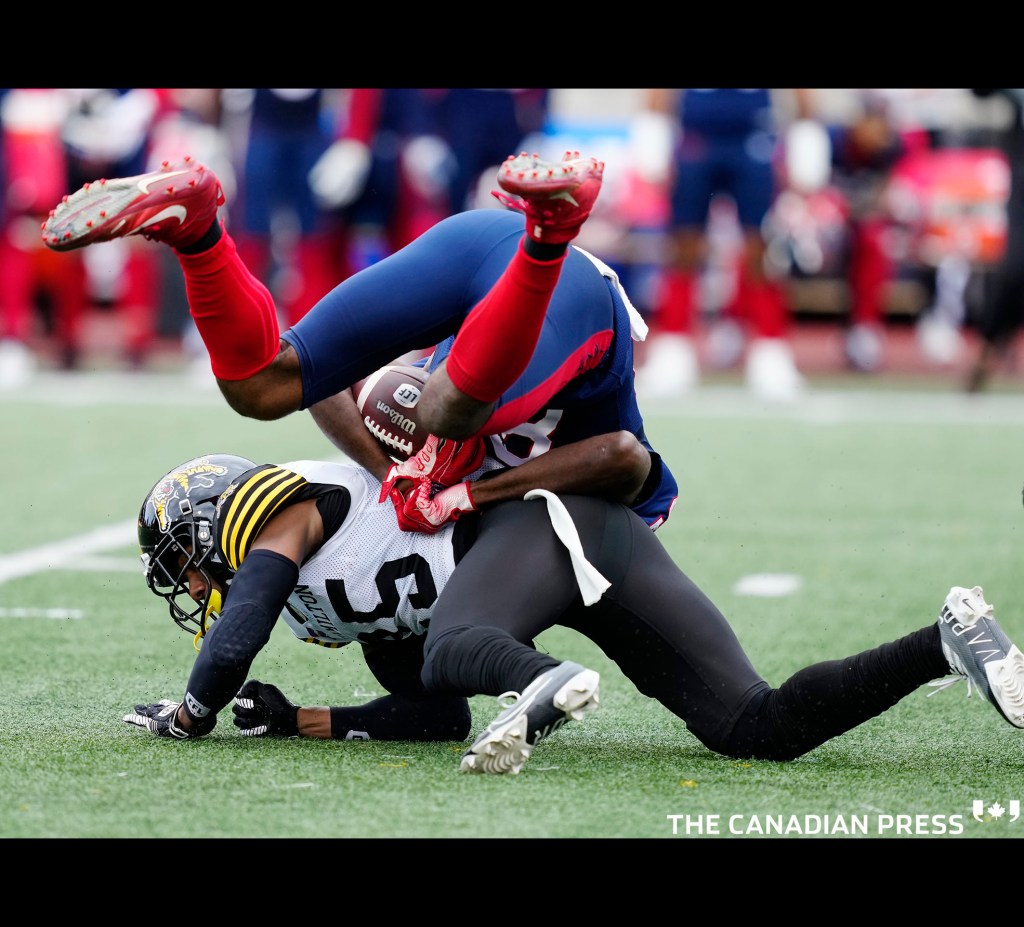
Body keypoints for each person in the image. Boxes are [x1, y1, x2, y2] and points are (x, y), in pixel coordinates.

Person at [123, 440, 1024, 776]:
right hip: (580, 547)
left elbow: (240, 623)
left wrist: (192, 711)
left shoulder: (283, 503)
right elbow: (436, 715)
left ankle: (548, 678)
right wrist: (300, 720)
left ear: (213, 525)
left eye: (182, 561)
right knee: (756, 727)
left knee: (456, 641)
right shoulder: (332, 602)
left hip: (539, 526)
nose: (190, 584)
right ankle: (946, 640)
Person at [41, 149, 678, 531]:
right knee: (443, 409)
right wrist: (443, 492)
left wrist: (397, 477)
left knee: (263, 386)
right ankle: (549, 235)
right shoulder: (627, 498)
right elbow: (624, 457)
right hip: (573, 291)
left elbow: (325, 385)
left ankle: (199, 231)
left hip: (476, 244)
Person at [636, 88, 810, 401]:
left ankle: (770, 351)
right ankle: (674, 349)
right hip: (695, 135)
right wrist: (653, 133)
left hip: (753, 135)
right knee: (683, 245)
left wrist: (807, 139)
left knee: (763, 248)